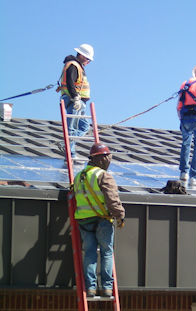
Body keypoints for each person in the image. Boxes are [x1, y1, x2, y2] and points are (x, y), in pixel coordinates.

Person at [73, 143, 125, 297]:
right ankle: (107, 287)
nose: (109, 160)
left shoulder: (79, 176)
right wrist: (120, 216)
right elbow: (112, 199)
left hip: (83, 220)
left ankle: (90, 288)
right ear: (101, 159)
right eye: (108, 157)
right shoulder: (103, 175)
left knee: (89, 253)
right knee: (107, 253)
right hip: (102, 219)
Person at [57, 43, 94, 160]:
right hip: (74, 101)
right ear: (81, 55)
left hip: (78, 103)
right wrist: (76, 98)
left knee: (84, 127)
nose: (88, 61)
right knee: (71, 128)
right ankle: (70, 153)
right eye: (87, 58)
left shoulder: (76, 66)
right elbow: (70, 82)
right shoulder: (73, 65)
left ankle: (66, 145)